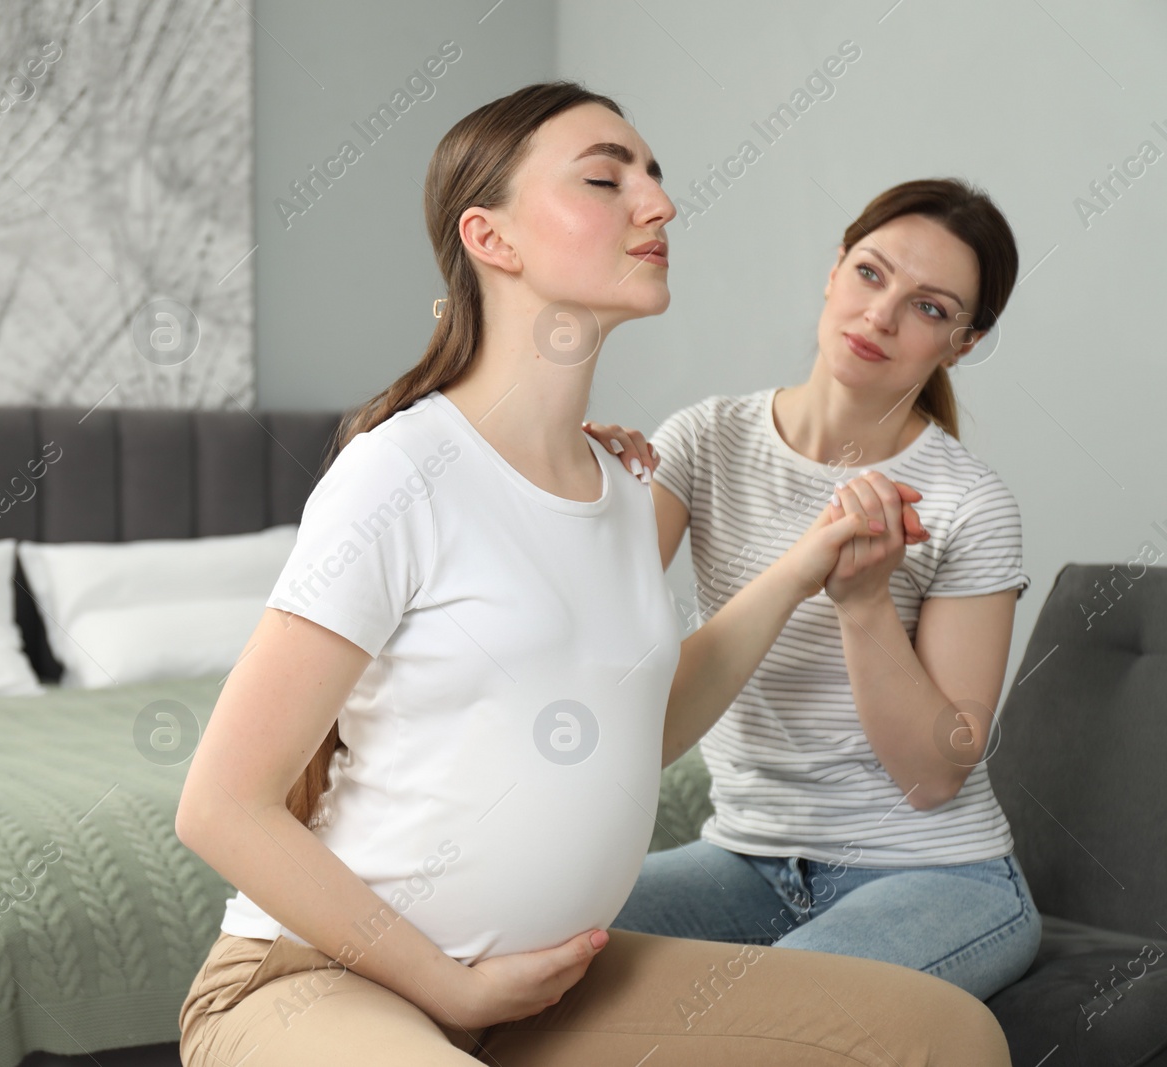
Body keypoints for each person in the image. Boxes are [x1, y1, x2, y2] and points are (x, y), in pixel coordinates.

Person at [174, 82, 1012, 1065]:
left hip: (544, 986)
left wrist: (802, 570)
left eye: (653, 178)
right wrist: (453, 984)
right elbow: (220, 805)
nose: (655, 203)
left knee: (943, 1034)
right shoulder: (401, 470)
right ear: (492, 238)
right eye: (606, 178)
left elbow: (638, 723)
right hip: (321, 976)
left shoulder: (621, 484)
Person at [584, 178, 1040, 1001]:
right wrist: (566, 483)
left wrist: (865, 607)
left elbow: (933, 777)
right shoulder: (705, 441)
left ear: (963, 343)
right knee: (528, 944)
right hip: (743, 860)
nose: (883, 314)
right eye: (871, 273)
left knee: (759, 1019)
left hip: (935, 873)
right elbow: (583, 644)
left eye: (930, 308)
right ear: (834, 270)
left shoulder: (971, 503)